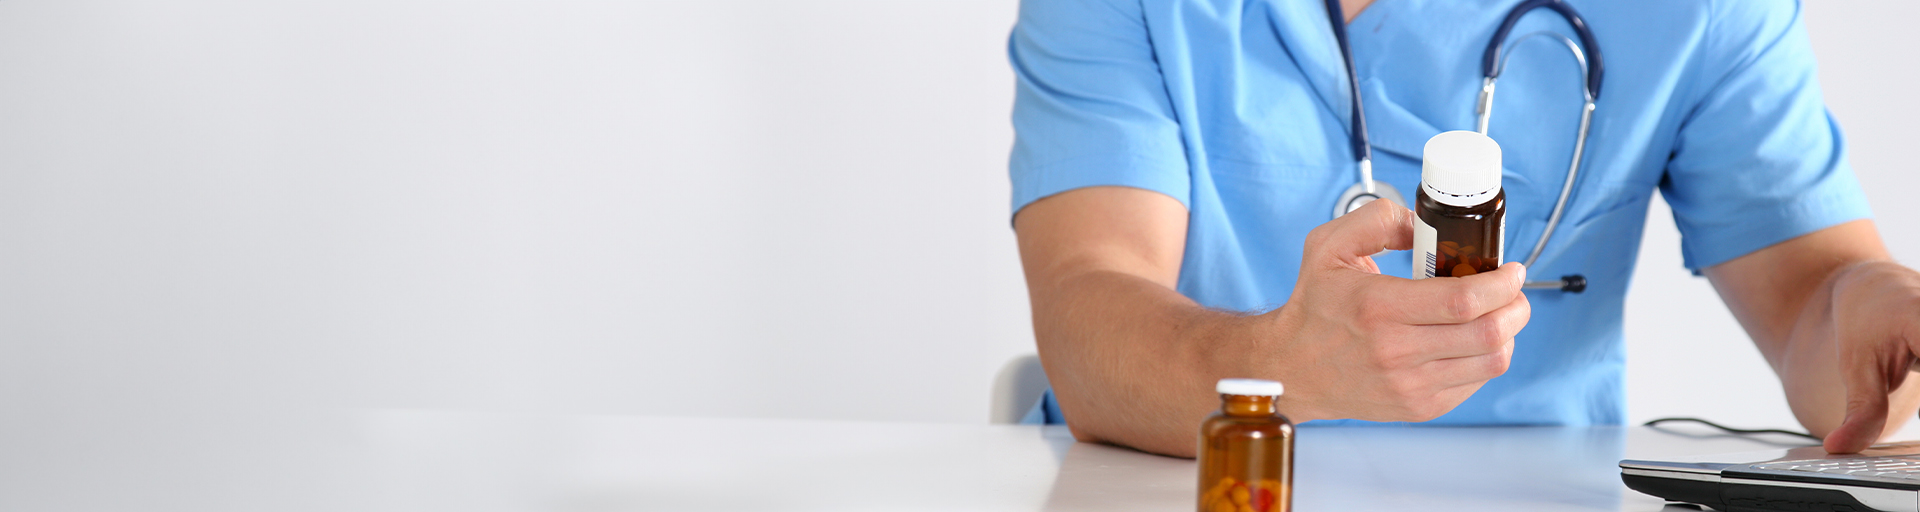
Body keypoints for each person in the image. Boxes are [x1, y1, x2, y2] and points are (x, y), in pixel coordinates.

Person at [1006, 0, 1920, 458]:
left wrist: (1879, 308)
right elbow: (1089, 318)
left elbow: (1821, 310)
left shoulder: (1702, 13)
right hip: (1185, 485)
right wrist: (1285, 359)